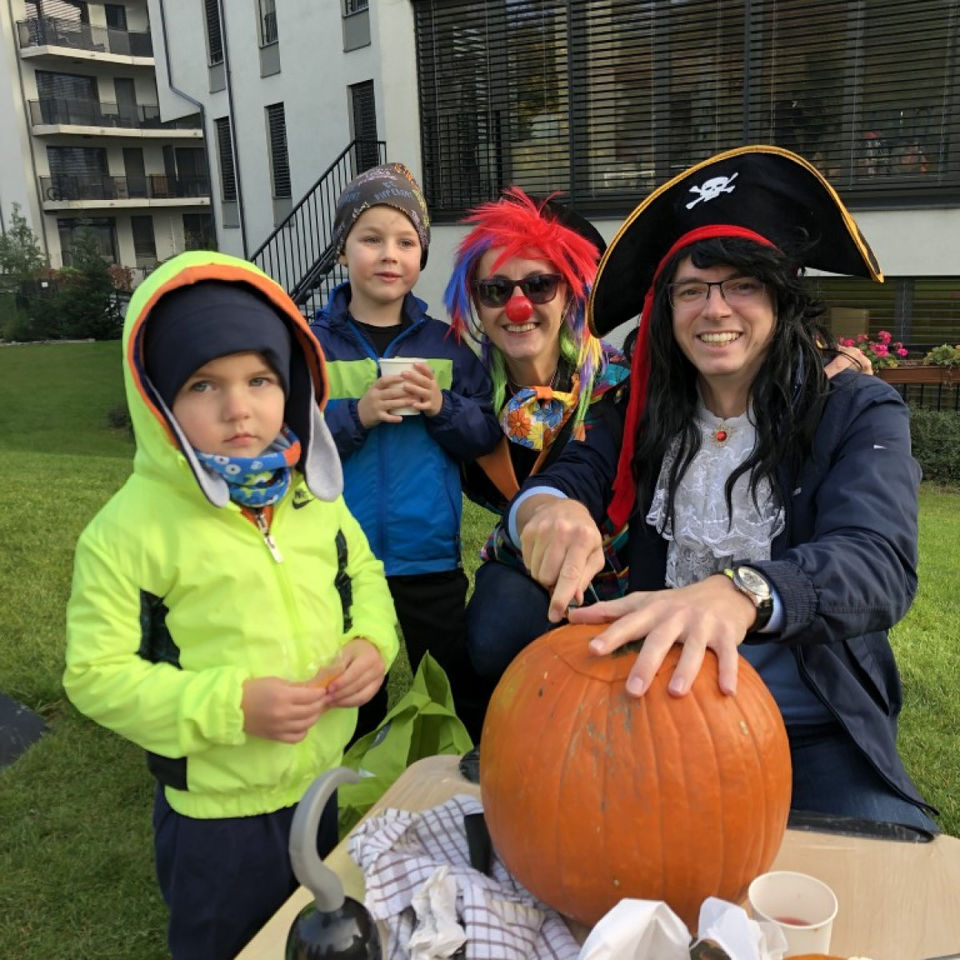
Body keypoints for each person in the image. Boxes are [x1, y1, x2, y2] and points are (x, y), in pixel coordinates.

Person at [510, 145, 937, 830]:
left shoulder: (859, 410)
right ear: (668, 308)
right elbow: (565, 476)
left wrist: (743, 591)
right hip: (659, 717)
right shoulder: (640, 410)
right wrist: (547, 512)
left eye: (741, 284)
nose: (715, 309)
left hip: (811, 729)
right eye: (691, 289)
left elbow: (877, 560)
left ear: (780, 296)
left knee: (890, 869)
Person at [64, 251, 400, 960]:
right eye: (203, 383)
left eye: (259, 379)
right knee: (228, 944)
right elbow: (94, 675)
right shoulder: (128, 532)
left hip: (317, 781)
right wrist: (232, 708)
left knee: (314, 933)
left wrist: (373, 643)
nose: (239, 407)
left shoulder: (311, 495)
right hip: (215, 814)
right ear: (157, 400)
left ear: (293, 384)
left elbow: (364, 575)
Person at [311, 162, 501, 739]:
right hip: (337, 559)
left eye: (405, 241)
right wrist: (356, 414)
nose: (388, 254)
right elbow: (291, 442)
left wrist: (442, 406)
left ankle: (460, 771)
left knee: (446, 681)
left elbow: (486, 432)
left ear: (420, 257)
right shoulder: (311, 346)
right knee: (350, 694)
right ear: (343, 252)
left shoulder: (445, 342)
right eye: (370, 239)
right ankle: (349, 778)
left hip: (428, 556)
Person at [443, 188, 631, 739]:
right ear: (475, 303)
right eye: (496, 290)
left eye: (539, 285)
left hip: (625, 565)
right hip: (526, 557)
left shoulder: (620, 381)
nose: (517, 307)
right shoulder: (465, 397)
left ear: (571, 293)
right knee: (489, 638)